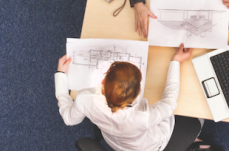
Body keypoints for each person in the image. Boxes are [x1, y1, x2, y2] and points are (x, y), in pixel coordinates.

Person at [54, 44, 208, 151]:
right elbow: (169, 103)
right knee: (198, 117)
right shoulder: (144, 117)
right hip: (152, 147)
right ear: (138, 92)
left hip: (114, 143)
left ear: (103, 80)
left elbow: (69, 119)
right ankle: (193, 140)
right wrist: (175, 61)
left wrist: (61, 75)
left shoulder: (84, 99)